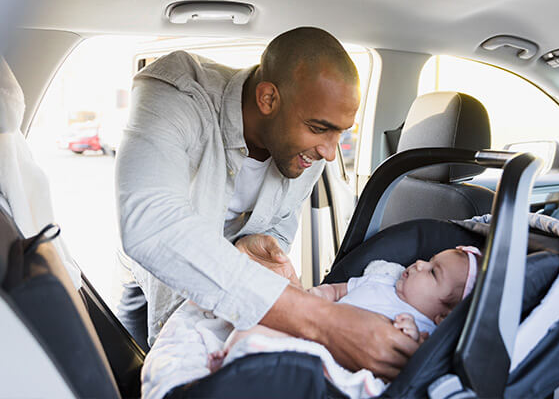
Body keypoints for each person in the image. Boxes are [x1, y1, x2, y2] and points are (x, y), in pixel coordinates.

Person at [115, 26, 418, 379]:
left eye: (340, 132)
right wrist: (324, 322)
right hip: (152, 276)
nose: (330, 153)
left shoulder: (311, 153)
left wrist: (255, 245)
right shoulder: (178, 93)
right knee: (126, 376)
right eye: (319, 129)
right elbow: (150, 223)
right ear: (268, 99)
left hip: (231, 298)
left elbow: (280, 225)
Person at [207, 245, 482, 372]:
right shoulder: (384, 277)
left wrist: (413, 336)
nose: (420, 264)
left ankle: (243, 366)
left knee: (297, 364)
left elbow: (415, 359)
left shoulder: (424, 327)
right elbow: (338, 290)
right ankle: (231, 355)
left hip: (343, 360)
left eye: (433, 273)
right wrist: (314, 295)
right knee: (256, 323)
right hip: (309, 328)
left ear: (443, 315)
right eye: (430, 259)